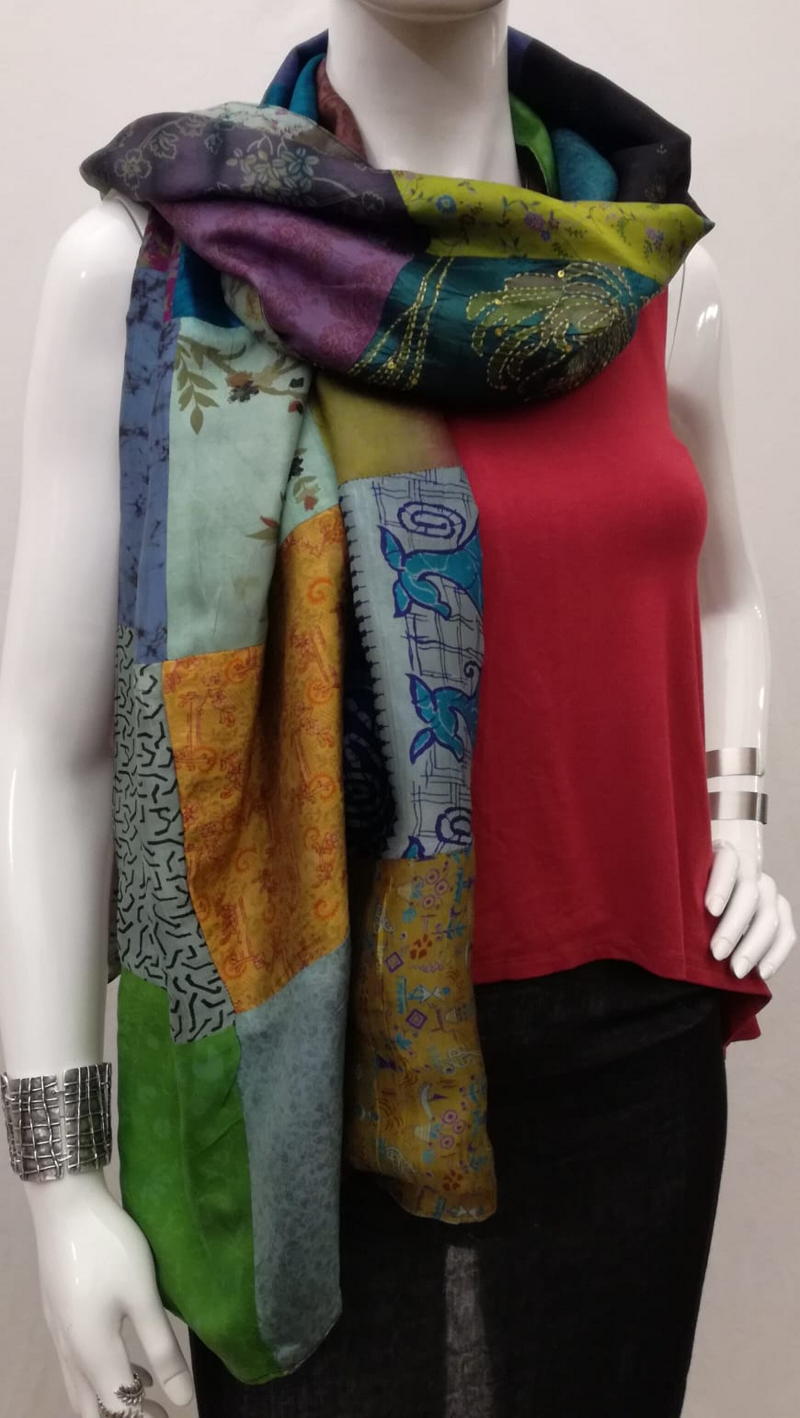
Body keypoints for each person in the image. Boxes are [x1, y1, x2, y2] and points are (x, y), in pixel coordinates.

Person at [0, 4, 795, 1417]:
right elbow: (52, 752)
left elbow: (724, 592)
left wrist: (738, 820)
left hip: (639, 1061)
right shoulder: (157, 266)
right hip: (306, 1070)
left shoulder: (656, 269)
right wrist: (60, 1177)